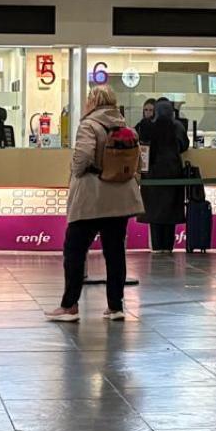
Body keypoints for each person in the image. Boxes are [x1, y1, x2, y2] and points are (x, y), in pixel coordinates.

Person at [46, 87, 143, 322]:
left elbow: (83, 157)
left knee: (75, 251)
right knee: (115, 251)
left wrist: (75, 172)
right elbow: (138, 162)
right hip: (120, 198)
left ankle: (70, 305)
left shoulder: (89, 125)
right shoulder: (125, 126)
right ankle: (116, 306)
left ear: (92, 101)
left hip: (92, 197)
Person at [139, 97, 188, 253]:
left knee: (155, 213)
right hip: (173, 173)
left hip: (152, 175)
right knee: (170, 212)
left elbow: (142, 146)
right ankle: (168, 246)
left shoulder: (148, 126)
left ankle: (157, 246)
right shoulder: (177, 126)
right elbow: (183, 145)